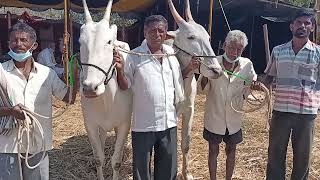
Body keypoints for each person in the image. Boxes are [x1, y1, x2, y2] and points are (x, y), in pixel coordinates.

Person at [114, 15, 198, 180]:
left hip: (169, 122)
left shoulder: (171, 55)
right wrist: (119, 70)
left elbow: (176, 79)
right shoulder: (135, 56)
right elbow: (125, 85)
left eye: (161, 31)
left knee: (167, 171)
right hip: (144, 125)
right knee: (142, 172)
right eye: (152, 30)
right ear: (145, 32)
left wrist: (189, 69)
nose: (157, 34)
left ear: (166, 33)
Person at [0, 22, 78, 180]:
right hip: (7, 144)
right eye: (14, 40)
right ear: (8, 44)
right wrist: (10, 111)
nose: (18, 44)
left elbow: (68, 99)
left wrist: (74, 75)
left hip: (38, 144)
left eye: (23, 40)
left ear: (34, 45)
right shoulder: (1, 72)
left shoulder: (46, 74)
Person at [263, 10, 320, 180]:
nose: (302, 26)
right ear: (291, 26)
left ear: (312, 27)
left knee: (302, 158)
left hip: (306, 114)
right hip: (280, 111)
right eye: (298, 22)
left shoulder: (318, 53)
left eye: (307, 23)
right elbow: (268, 77)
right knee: (275, 154)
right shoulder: (278, 51)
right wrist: (254, 85)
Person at [199, 30, 257, 180]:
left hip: (234, 117)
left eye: (239, 49)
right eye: (231, 47)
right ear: (224, 45)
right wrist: (206, 75)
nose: (234, 52)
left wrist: (252, 87)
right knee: (213, 150)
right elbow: (201, 90)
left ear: (243, 50)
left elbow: (250, 84)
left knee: (231, 150)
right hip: (214, 115)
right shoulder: (213, 63)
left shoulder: (247, 65)